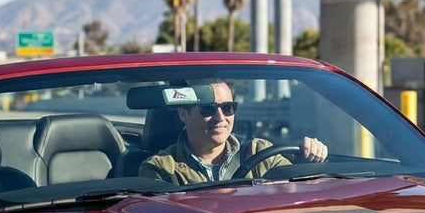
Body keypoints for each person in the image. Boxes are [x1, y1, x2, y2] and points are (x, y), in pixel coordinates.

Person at [139, 80, 328, 184]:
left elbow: (294, 187)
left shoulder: (259, 153)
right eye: (208, 109)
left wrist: (307, 159)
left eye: (228, 107)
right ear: (183, 114)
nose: (220, 117)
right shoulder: (161, 169)